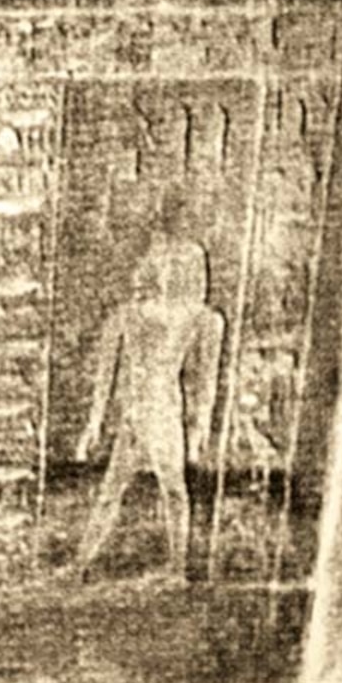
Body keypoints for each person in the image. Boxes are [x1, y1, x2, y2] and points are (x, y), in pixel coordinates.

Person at [70, 235, 224, 579]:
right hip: (137, 413)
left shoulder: (202, 320)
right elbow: (106, 374)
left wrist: (200, 425)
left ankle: (177, 569)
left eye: (176, 268)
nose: (166, 275)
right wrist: (94, 422)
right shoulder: (128, 316)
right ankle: (80, 564)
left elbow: (207, 381)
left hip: (163, 412)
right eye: (163, 267)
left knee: (172, 490)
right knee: (114, 491)